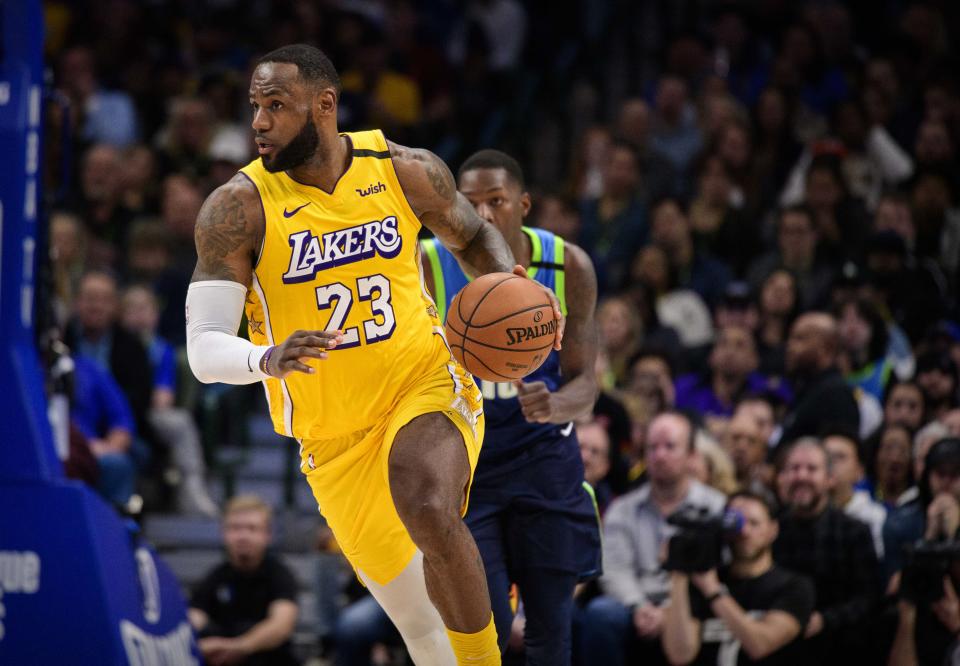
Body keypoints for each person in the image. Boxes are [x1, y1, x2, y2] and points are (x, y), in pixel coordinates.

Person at [184, 44, 564, 664]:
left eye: (276, 106)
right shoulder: (236, 208)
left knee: (426, 502)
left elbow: (472, 237)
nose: (258, 122)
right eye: (255, 106)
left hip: (422, 382)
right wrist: (267, 357)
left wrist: (508, 283)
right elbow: (203, 350)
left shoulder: (404, 169)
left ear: (324, 105)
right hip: (331, 440)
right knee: (420, 628)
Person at [420, 149, 600, 663]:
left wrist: (558, 402)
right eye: (470, 204)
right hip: (468, 467)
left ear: (523, 204)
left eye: (496, 201)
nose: (484, 215)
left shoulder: (567, 264)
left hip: (545, 461)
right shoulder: (427, 264)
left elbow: (588, 384)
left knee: (550, 634)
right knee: (485, 631)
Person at [580, 411, 726, 665]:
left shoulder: (714, 506)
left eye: (670, 446)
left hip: (691, 605)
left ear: (691, 454)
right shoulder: (622, 508)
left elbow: (721, 569)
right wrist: (639, 607)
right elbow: (614, 570)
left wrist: (670, 611)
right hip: (634, 606)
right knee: (601, 613)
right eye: (653, 447)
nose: (660, 455)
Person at [662, 490, 815, 665]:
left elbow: (760, 645)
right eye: (735, 523)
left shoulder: (794, 586)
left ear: (773, 530)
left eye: (754, 523)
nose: (744, 532)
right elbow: (680, 655)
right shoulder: (703, 579)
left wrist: (713, 591)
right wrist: (679, 574)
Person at [772, 438, 881, 665]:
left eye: (811, 469)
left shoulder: (854, 531)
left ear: (829, 479)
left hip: (838, 648)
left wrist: (824, 620)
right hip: (778, 645)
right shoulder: (771, 529)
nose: (801, 476)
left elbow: (868, 598)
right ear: (782, 477)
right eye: (794, 469)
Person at [189, 495, 300, 666]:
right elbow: (193, 620)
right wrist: (198, 647)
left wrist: (240, 647)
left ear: (267, 535)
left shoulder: (279, 575)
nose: (243, 536)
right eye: (235, 528)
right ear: (223, 533)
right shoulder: (215, 577)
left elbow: (281, 625)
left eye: (252, 528)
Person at [778, 312, 859, 448]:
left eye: (800, 339)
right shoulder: (808, 389)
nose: (789, 347)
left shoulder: (836, 394)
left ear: (826, 347)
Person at [822, 430, 886, 559]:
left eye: (840, 457)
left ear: (860, 470)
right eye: (826, 456)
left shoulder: (876, 517)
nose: (831, 464)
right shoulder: (806, 512)